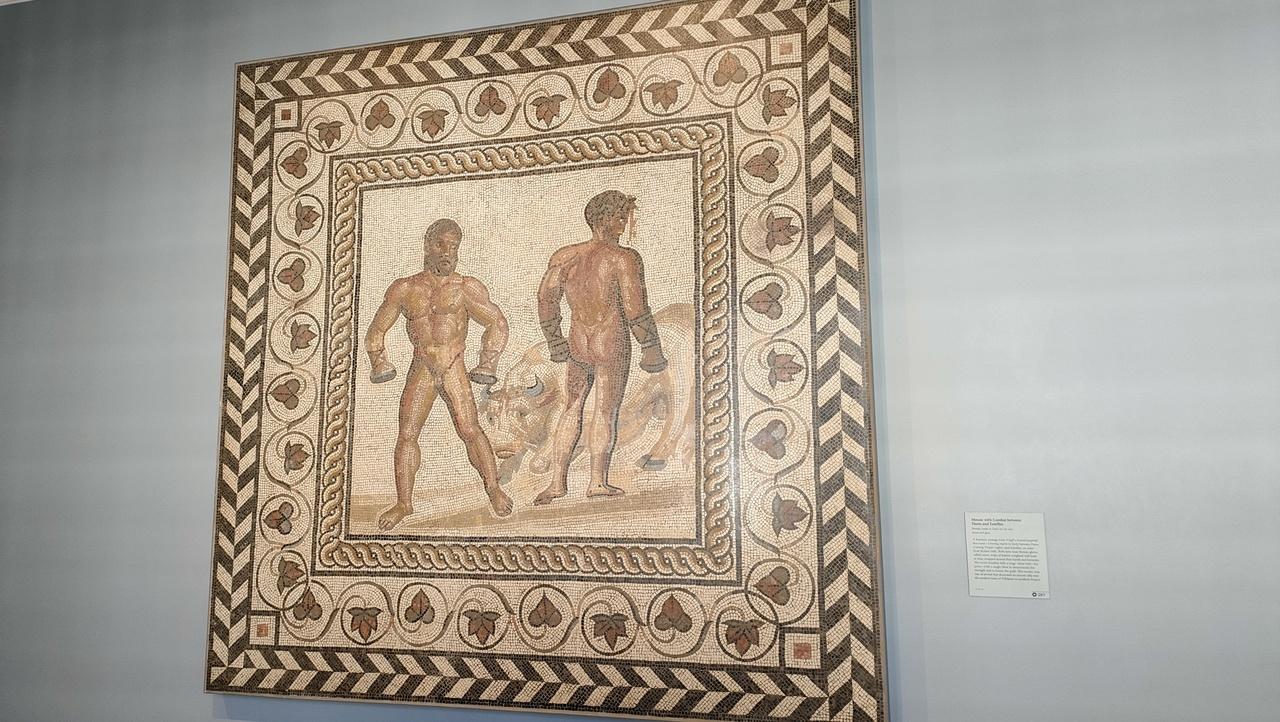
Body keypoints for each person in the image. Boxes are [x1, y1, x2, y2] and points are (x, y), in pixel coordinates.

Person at [364, 217, 513, 530]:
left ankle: (494, 489)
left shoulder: (466, 288)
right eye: (441, 245)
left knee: (470, 429)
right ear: (427, 246)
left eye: (453, 247)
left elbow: (497, 322)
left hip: (453, 365)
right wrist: (379, 361)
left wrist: (488, 362)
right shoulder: (405, 288)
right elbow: (376, 329)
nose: (447, 252)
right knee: (407, 434)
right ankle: (404, 503)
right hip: (421, 367)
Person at [533, 190, 667, 505]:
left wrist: (555, 340)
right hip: (611, 340)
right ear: (602, 218)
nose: (624, 222)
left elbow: (546, 298)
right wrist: (651, 347)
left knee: (572, 406)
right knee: (605, 410)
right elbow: (636, 309)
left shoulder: (565, 256)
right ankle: (596, 482)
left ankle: (557, 483)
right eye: (618, 216)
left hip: (578, 339)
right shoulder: (624, 258)